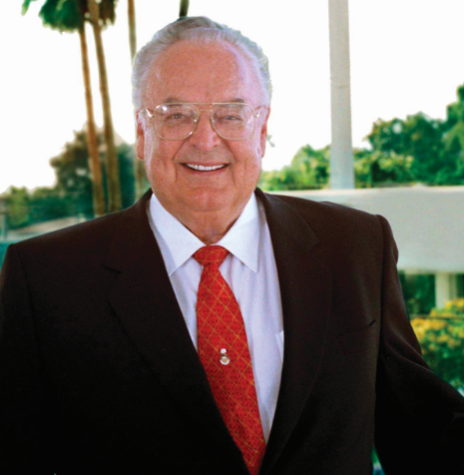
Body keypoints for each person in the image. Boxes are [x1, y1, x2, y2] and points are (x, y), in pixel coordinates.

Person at [1, 16, 463, 475]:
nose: (205, 140)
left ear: (261, 130)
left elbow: (421, 430)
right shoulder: (45, 279)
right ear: (142, 132)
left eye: (230, 115)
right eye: (176, 115)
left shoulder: (356, 246)